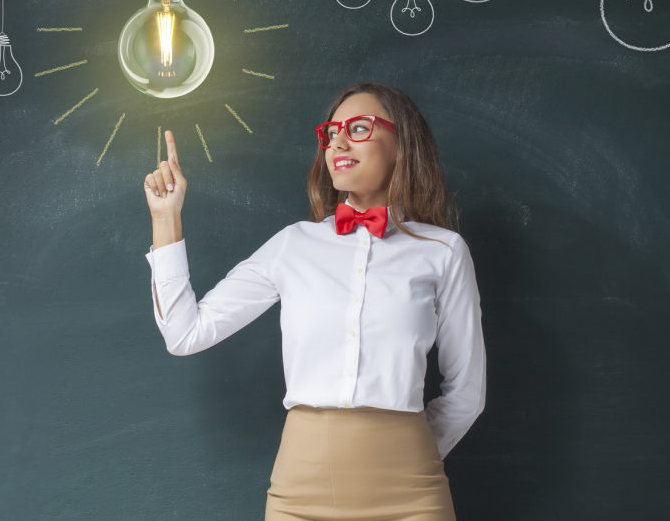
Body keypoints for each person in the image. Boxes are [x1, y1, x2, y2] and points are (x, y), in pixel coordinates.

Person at [142, 81, 486, 521]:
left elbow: (467, 392)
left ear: (402, 145)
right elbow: (184, 333)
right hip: (300, 494)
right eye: (331, 132)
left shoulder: (444, 251)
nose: (338, 141)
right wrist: (165, 217)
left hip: (411, 493)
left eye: (358, 128)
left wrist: (406, 450)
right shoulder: (294, 244)